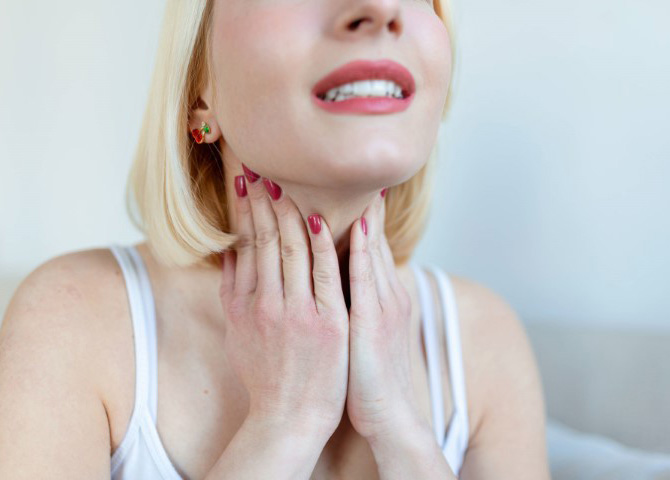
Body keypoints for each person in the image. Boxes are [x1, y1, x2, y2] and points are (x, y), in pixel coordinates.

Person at [0, 0, 551, 478]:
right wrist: (284, 425)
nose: (380, 9)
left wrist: (401, 430)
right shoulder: (72, 324)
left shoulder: (484, 342)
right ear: (199, 91)